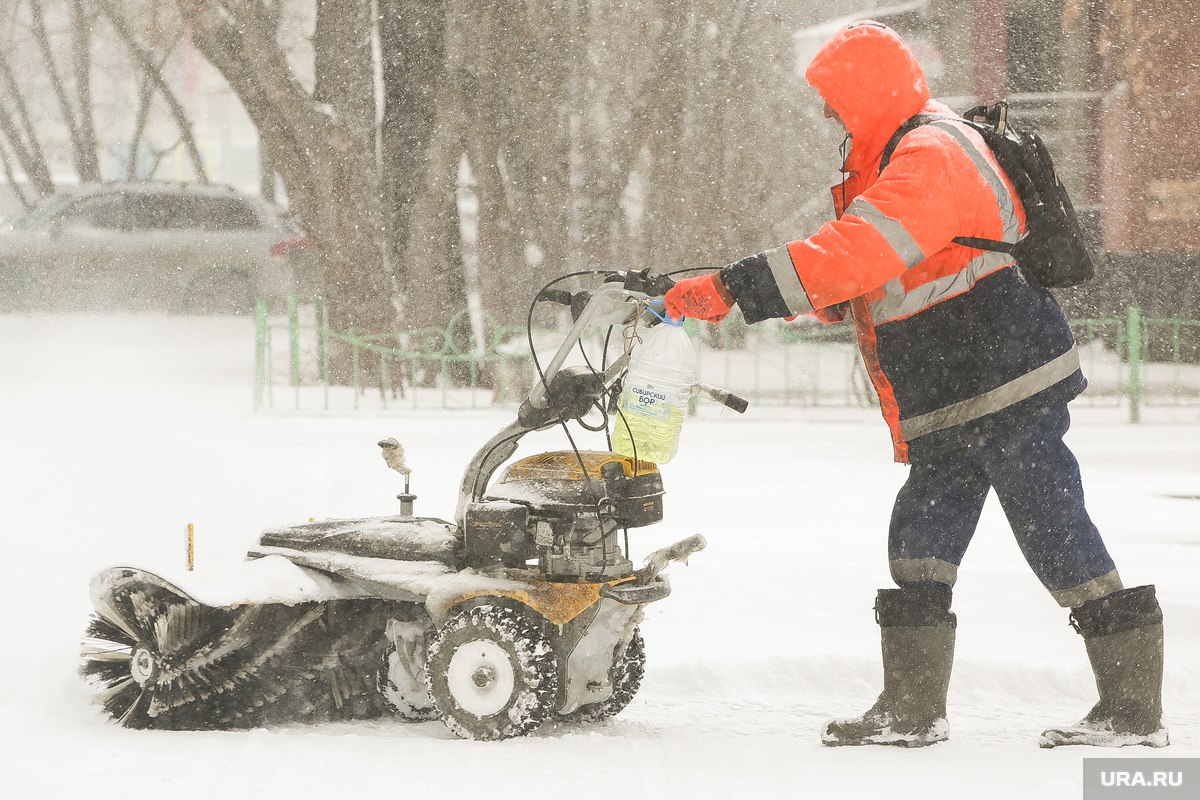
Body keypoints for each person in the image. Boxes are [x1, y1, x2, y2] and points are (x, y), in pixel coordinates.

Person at [664, 21, 1168, 749]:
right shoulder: (903, 154)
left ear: (867, 93)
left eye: (834, 101)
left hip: (1002, 379)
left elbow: (858, 251)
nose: (827, 117)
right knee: (921, 537)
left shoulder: (931, 153)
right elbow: (879, 274)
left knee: (1051, 527)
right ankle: (911, 711)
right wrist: (764, 297)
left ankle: (1130, 711)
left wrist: (737, 286)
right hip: (953, 389)